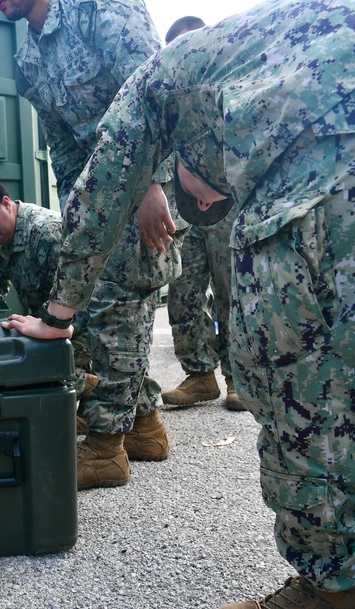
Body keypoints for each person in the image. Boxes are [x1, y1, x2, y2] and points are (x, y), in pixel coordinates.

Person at [3, 0, 355, 609]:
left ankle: (335, 594)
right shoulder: (247, 67)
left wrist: (57, 313)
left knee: (288, 344)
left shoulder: (153, 85)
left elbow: (98, 195)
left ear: (176, 155)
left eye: (202, 202)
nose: (209, 207)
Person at [0, 0, 184, 490]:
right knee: (98, 304)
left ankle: (105, 450)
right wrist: (79, 212)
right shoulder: (28, 59)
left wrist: (153, 183)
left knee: (118, 306)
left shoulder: (99, 9)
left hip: (146, 183)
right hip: (98, 192)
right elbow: (63, 143)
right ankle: (144, 427)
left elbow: (158, 88)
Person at [0, 174, 97, 425]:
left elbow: (82, 300)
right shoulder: (4, 233)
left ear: (6, 203)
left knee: (28, 375)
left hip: (80, 328)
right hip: (45, 326)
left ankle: (92, 384)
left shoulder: (46, 233)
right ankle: (84, 395)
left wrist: (49, 333)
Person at [157, 16, 246, 412]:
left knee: (232, 294)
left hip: (227, 209)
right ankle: (200, 375)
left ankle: (238, 379)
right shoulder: (167, 99)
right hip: (183, 212)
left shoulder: (230, 86)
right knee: (183, 292)